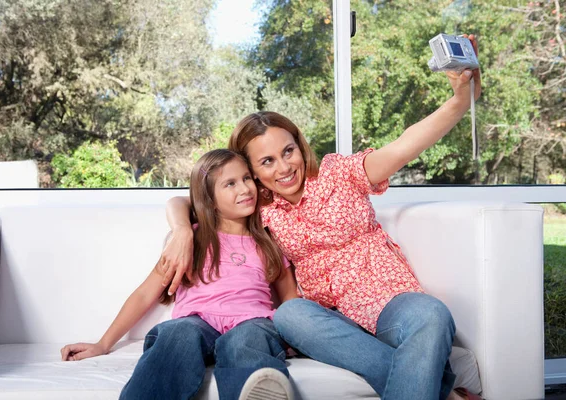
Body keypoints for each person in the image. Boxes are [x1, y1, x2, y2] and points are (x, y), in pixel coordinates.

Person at [160, 35, 482, 400]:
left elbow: (404, 146)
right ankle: (442, 390)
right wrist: (182, 231)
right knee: (288, 314)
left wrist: (459, 102)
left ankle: (437, 392)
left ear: (299, 145)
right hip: (327, 323)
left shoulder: (338, 172)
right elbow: (185, 200)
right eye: (267, 161)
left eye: (288, 151)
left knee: (432, 314)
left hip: (389, 302)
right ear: (250, 169)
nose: (284, 167)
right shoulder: (258, 208)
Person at [60, 149, 298, 400]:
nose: (245, 188)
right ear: (210, 199)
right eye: (230, 183)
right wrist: (103, 343)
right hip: (198, 321)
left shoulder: (268, 241)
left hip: (253, 321)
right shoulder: (189, 240)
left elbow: (289, 298)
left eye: (247, 178)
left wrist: (297, 339)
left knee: (246, 340)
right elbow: (144, 294)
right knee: (178, 332)